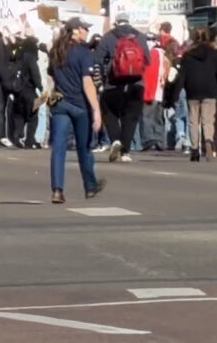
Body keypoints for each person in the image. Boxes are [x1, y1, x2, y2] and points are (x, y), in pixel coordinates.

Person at [47, 17, 105, 204]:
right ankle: (89, 186)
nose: (87, 32)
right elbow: (87, 82)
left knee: (59, 148)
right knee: (84, 147)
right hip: (80, 105)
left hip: (60, 104)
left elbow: (51, 74)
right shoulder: (83, 52)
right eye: (84, 28)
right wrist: (96, 109)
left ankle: (57, 190)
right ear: (76, 30)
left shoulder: (56, 50)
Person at [92, 13, 149, 163]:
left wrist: (100, 81)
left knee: (108, 113)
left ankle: (115, 139)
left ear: (116, 23)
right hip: (136, 84)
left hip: (113, 83)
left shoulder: (108, 37)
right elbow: (147, 59)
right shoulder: (140, 37)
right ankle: (126, 152)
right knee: (130, 118)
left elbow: (96, 60)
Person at [169, 26, 217, 161]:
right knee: (208, 121)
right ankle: (208, 141)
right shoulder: (215, 54)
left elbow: (182, 77)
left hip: (193, 90)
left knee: (193, 121)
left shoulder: (188, 55)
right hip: (210, 90)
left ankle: (195, 149)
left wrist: (175, 96)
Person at [8, 37, 43, 149]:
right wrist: (40, 87)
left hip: (17, 92)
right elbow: (35, 75)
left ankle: (17, 136)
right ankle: (29, 140)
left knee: (19, 115)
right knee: (33, 116)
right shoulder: (31, 58)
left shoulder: (17, 57)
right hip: (30, 92)